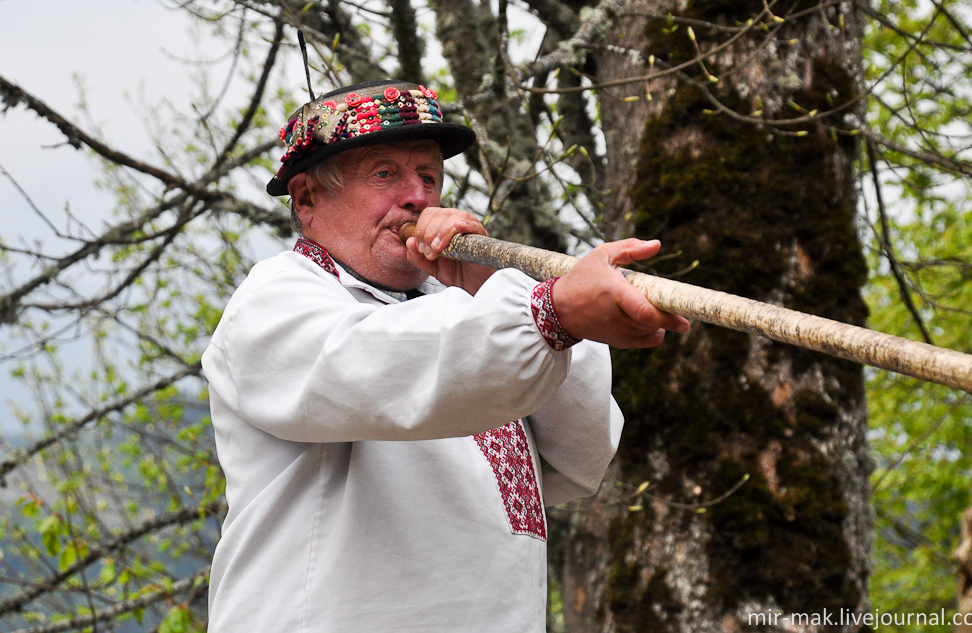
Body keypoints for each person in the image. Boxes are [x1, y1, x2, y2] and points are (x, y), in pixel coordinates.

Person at [202, 79, 689, 632]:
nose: (418, 197)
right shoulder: (274, 302)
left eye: (428, 176)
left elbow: (584, 455)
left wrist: (496, 290)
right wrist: (549, 309)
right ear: (307, 199)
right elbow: (384, 363)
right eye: (385, 173)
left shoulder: (463, 311)